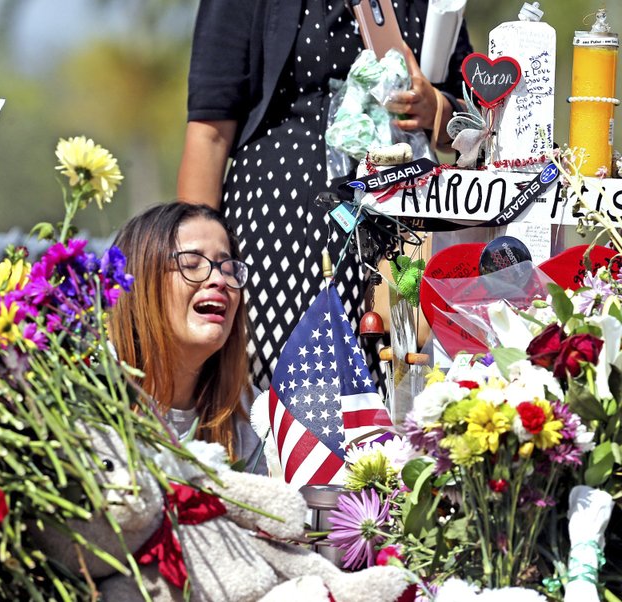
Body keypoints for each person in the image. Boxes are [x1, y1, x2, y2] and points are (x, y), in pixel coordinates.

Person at [176, 0, 473, 389]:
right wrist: (192, 267)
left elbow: (473, 122)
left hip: (399, 236)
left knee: (393, 398)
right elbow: (209, 134)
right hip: (277, 235)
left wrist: (435, 106)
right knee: (273, 396)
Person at [109, 201, 266, 474]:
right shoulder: (88, 391)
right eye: (192, 264)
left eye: (229, 269)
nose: (218, 279)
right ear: (139, 282)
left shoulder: (251, 416)